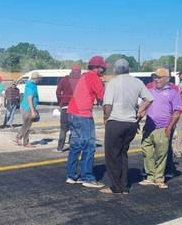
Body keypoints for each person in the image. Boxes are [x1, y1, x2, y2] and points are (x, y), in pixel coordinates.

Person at [101, 59, 154, 195]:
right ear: (128, 69)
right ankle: (124, 186)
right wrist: (139, 113)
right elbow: (149, 99)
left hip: (116, 122)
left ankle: (115, 187)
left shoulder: (113, 83)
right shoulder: (137, 82)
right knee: (123, 154)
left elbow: (107, 104)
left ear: (116, 69)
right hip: (130, 123)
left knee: (112, 156)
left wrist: (106, 119)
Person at [66, 56, 109, 188]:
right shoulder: (94, 78)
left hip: (72, 113)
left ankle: (71, 176)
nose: (104, 71)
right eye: (103, 68)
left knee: (75, 145)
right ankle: (88, 178)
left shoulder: (84, 76)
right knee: (89, 146)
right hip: (83, 115)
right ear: (98, 68)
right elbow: (104, 98)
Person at [139, 67, 182, 190]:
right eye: (155, 77)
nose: (156, 80)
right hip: (149, 127)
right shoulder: (150, 91)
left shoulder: (173, 93)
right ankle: (150, 176)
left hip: (163, 128)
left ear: (167, 79)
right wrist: (137, 120)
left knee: (161, 154)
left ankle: (159, 178)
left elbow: (177, 112)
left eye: (159, 77)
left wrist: (169, 128)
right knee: (146, 151)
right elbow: (144, 107)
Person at [55, 65, 81, 152]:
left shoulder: (65, 79)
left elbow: (58, 92)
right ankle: (73, 146)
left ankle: (60, 148)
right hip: (77, 108)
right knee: (75, 128)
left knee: (63, 128)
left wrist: (60, 102)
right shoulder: (81, 80)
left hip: (65, 107)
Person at [16, 72, 41, 147]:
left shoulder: (30, 84)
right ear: (36, 79)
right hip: (28, 108)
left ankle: (19, 138)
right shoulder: (31, 86)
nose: (40, 79)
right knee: (28, 125)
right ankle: (25, 142)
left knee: (26, 124)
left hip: (27, 107)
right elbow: (30, 98)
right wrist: (33, 111)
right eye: (39, 78)